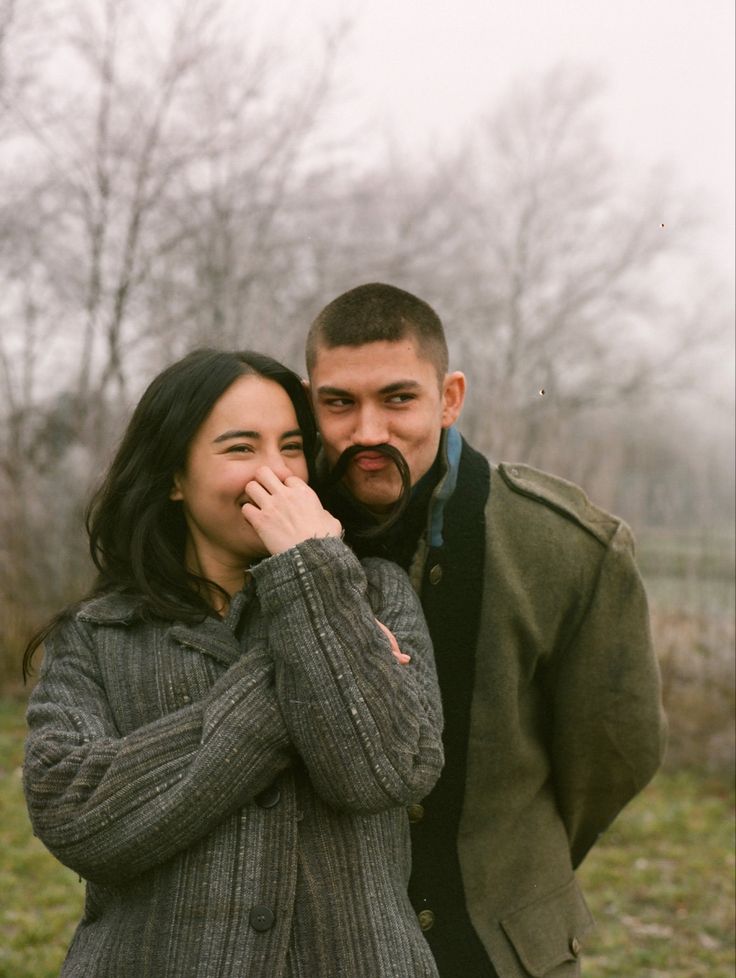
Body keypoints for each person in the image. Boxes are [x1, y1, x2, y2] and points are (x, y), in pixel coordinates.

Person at [23, 348, 444, 978]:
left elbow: (384, 771)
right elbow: (77, 817)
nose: (274, 473)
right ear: (174, 477)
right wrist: (315, 639)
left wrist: (315, 582)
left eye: (293, 446)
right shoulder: (98, 636)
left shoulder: (376, 593)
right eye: (241, 448)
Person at [306, 283, 668, 978]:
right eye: (340, 403)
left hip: (504, 953)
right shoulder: (262, 537)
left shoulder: (565, 547)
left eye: (399, 399)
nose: (369, 431)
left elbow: (615, 754)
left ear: (449, 398)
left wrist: (504, 860)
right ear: (310, 400)